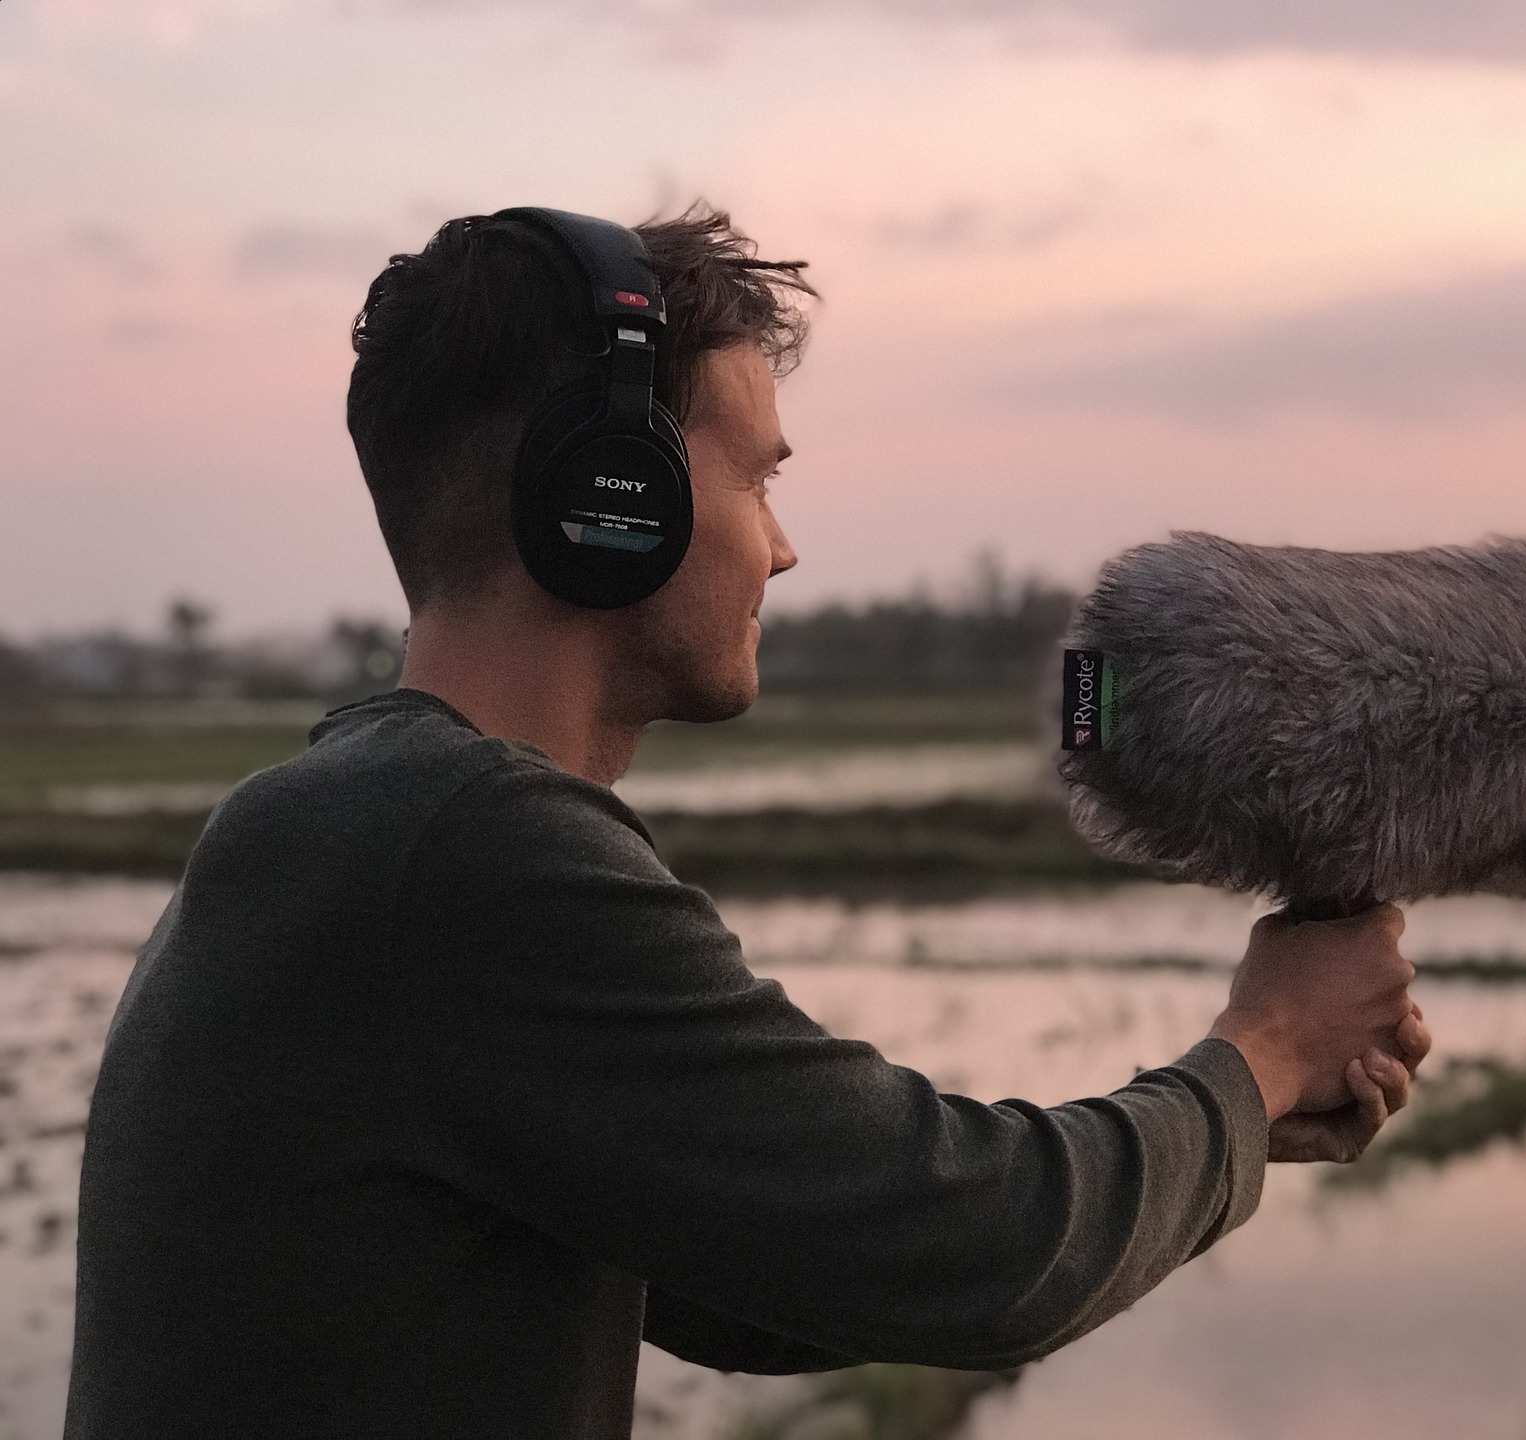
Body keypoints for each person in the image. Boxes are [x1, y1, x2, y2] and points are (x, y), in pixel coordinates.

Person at [65, 205, 1430, 1439]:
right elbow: (967, 1247)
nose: (782, 548)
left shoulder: (359, 822)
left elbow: (785, 1277)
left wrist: (1233, 1126)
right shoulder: (459, 848)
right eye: (758, 478)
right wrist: (1267, 1047)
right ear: (615, 497)